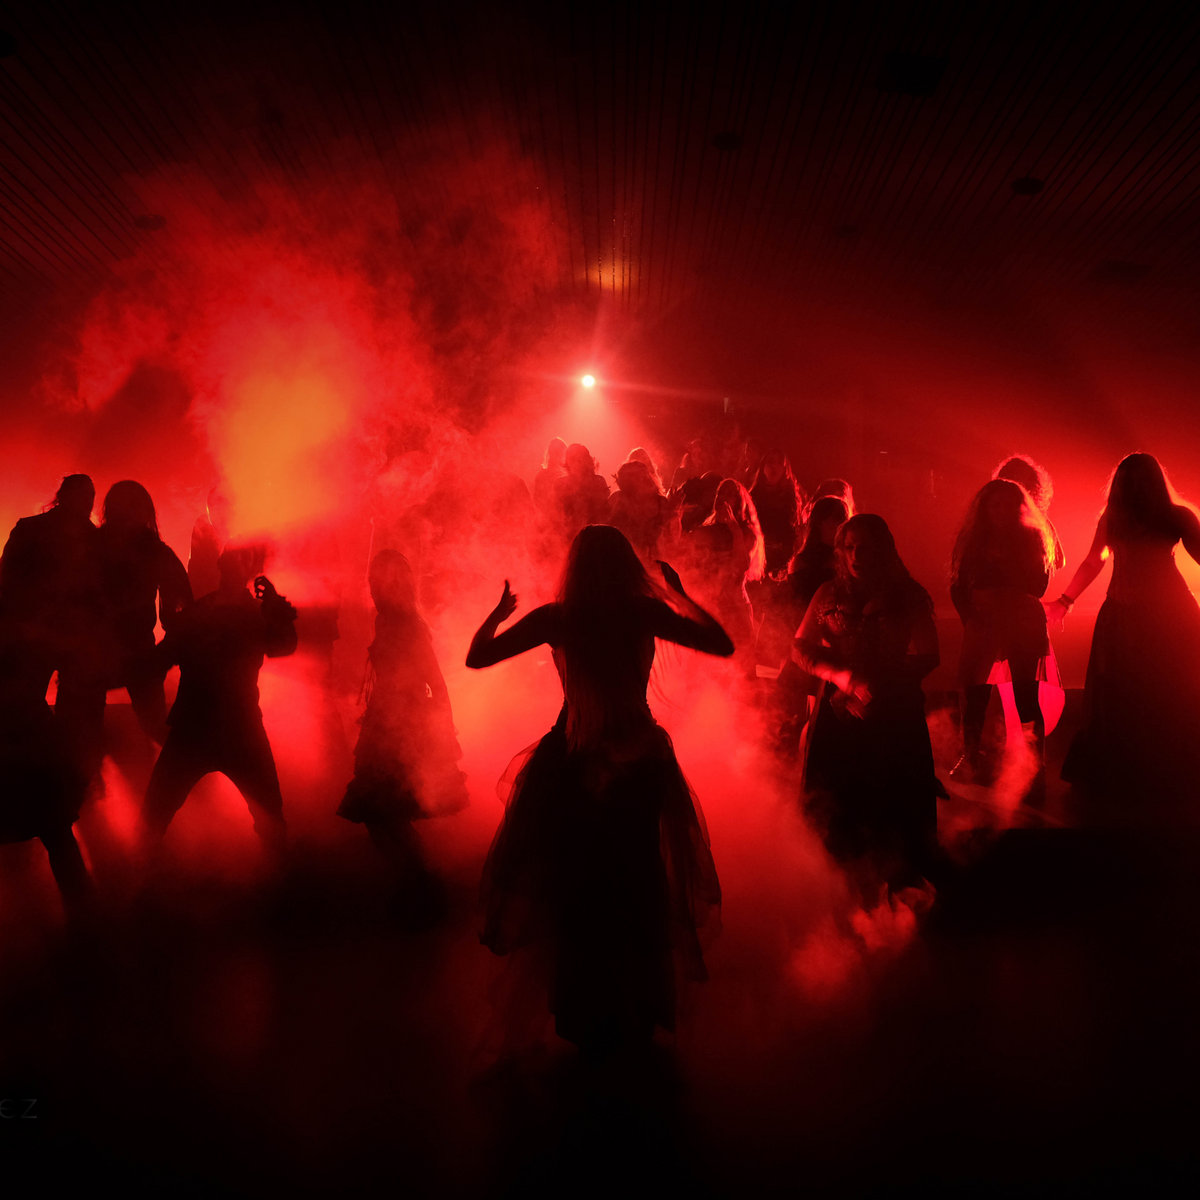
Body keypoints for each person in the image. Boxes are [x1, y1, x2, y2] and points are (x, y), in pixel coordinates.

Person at [467, 525, 731, 1054]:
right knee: (637, 882)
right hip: (637, 761)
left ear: (576, 569)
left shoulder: (559, 617)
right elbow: (720, 643)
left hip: (573, 760)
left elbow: (478, 657)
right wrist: (679, 597)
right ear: (626, 566)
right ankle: (635, 1009)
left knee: (579, 886)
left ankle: (584, 1009)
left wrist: (496, 615)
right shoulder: (641, 612)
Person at [1048, 454, 1200, 823]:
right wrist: (1064, 601)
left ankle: (1161, 776)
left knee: (1163, 693)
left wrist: (1065, 601)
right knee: (1122, 695)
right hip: (1127, 617)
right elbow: (1093, 561)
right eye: (1129, 481)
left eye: (1139, 480)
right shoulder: (1115, 518)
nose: (1134, 487)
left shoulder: (1176, 517)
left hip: (1163, 618)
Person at [795, 514, 940, 898]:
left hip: (894, 713)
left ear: (883, 550)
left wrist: (879, 686)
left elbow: (929, 654)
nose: (858, 555)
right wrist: (841, 677)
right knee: (836, 805)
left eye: (866, 547)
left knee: (894, 806)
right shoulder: (828, 592)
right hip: (839, 712)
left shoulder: (908, 596)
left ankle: (901, 894)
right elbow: (800, 646)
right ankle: (835, 892)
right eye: (850, 547)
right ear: (841, 552)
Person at [141, 548, 297, 853]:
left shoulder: (202, 613)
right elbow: (284, 645)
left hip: (198, 725)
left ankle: (135, 870)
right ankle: (282, 873)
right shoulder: (251, 614)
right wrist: (275, 606)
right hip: (237, 726)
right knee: (269, 816)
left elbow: (158, 660)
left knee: (155, 812)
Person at [339, 551, 467, 907]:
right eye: (371, 581)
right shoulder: (386, 620)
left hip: (401, 727)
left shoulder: (408, 625)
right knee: (381, 815)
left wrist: (443, 731)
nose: (371, 588)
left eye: (377, 581)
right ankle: (420, 884)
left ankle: (423, 885)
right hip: (385, 724)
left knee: (384, 814)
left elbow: (435, 682)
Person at [949, 479, 1056, 785]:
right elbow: (958, 585)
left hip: (1021, 620)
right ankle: (972, 755)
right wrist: (971, 618)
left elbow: (1038, 586)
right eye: (995, 505)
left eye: (1008, 505)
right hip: (983, 620)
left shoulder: (1031, 540)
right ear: (984, 508)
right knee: (975, 692)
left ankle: (1033, 765)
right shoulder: (973, 541)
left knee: (1025, 693)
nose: (1001, 512)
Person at [0, 474, 106, 779]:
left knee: (30, 702)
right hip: (51, 634)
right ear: (66, 496)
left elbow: (6, 577)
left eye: (90, 496)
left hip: (45, 633)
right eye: (85, 496)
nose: (87, 502)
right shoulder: (91, 538)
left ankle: (40, 769)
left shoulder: (32, 529)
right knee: (52, 706)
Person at [98, 481, 192, 743]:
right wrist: (165, 653)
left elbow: (180, 606)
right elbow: (182, 606)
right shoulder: (154, 551)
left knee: (85, 730)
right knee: (156, 727)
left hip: (105, 653)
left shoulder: (93, 546)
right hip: (132, 652)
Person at [692, 478, 766, 680]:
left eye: (730, 494)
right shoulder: (706, 530)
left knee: (741, 671)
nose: (723, 498)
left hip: (735, 608)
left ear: (740, 502)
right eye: (720, 493)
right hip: (710, 606)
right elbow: (682, 555)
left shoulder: (747, 533)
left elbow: (740, 566)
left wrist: (734, 529)